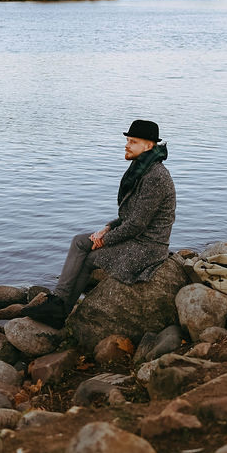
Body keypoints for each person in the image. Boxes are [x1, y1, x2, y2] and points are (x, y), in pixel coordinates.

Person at [26, 119, 176, 327]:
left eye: (133, 141)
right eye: (127, 140)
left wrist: (105, 240)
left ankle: (61, 311)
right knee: (79, 241)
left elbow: (137, 225)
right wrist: (107, 227)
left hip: (148, 246)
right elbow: (130, 217)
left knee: (91, 258)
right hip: (136, 237)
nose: (126, 145)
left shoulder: (155, 176)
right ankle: (58, 301)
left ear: (148, 146)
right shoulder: (141, 169)